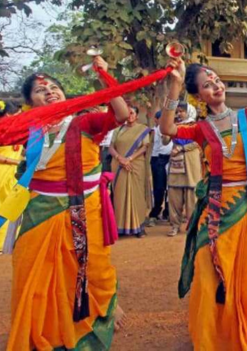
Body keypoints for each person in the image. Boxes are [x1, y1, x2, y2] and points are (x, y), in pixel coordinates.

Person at [159, 46, 247, 349]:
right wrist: (176, 85)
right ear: (198, 96)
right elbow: (166, 128)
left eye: (217, 80)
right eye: (207, 84)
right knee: (207, 270)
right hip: (217, 208)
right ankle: (212, 336)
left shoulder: (246, 117)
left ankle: (238, 326)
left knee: (241, 277)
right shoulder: (199, 129)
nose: (216, 85)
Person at [6, 56, 129, 350]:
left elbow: (121, 115)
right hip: (39, 210)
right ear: (30, 102)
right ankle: (41, 329)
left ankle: (101, 311)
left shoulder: (84, 121)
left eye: (53, 86)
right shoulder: (27, 129)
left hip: (83, 208)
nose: (48, 91)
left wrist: (104, 75)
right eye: (39, 90)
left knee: (92, 268)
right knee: (31, 271)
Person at [109, 106, 153, 237]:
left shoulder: (143, 130)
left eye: (132, 112)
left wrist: (129, 159)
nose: (129, 115)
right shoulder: (117, 130)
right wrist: (120, 159)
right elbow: (111, 147)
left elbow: (145, 147)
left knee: (137, 194)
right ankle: (120, 227)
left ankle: (138, 227)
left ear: (137, 115)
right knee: (119, 196)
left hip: (136, 165)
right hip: (118, 165)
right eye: (127, 113)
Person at [165, 102, 203, 236]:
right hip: (176, 163)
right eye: (178, 111)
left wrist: (182, 148)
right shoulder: (174, 126)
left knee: (192, 196)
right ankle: (174, 225)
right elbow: (165, 141)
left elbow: (197, 142)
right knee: (174, 195)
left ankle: (192, 225)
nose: (179, 113)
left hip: (191, 163)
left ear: (189, 112)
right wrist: (167, 126)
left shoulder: (197, 126)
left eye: (182, 111)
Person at [0, 100, 22, 252]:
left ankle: (6, 244)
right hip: (3, 175)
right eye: (19, 115)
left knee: (11, 209)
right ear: (8, 114)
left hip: (11, 178)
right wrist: (16, 161)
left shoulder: (17, 130)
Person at [148, 110, 173, 225]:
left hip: (171, 158)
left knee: (170, 187)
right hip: (158, 159)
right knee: (159, 187)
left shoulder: (171, 127)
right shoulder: (156, 130)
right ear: (156, 120)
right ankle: (155, 212)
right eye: (161, 118)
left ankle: (167, 212)